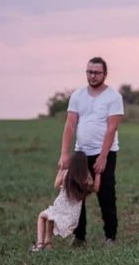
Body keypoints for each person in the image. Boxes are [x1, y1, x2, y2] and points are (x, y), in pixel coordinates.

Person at [58, 57, 124, 247]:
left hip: (105, 153)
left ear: (105, 74)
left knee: (106, 194)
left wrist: (103, 156)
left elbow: (112, 128)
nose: (92, 76)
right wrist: (64, 153)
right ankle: (79, 237)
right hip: (81, 153)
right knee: (76, 195)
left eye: (96, 72)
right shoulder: (77, 95)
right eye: (89, 72)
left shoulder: (113, 96)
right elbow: (70, 125)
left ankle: (110, 237)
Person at [31, 151, 101, 251]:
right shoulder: (86, 179)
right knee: (50, 218)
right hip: (72, 217)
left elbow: (56, 185)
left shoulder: (66, 174)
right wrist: (98, 174)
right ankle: (48, 244)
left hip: (60, 211)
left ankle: (39, 244)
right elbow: (96, 188)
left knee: (42, 216)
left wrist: (61, 169)